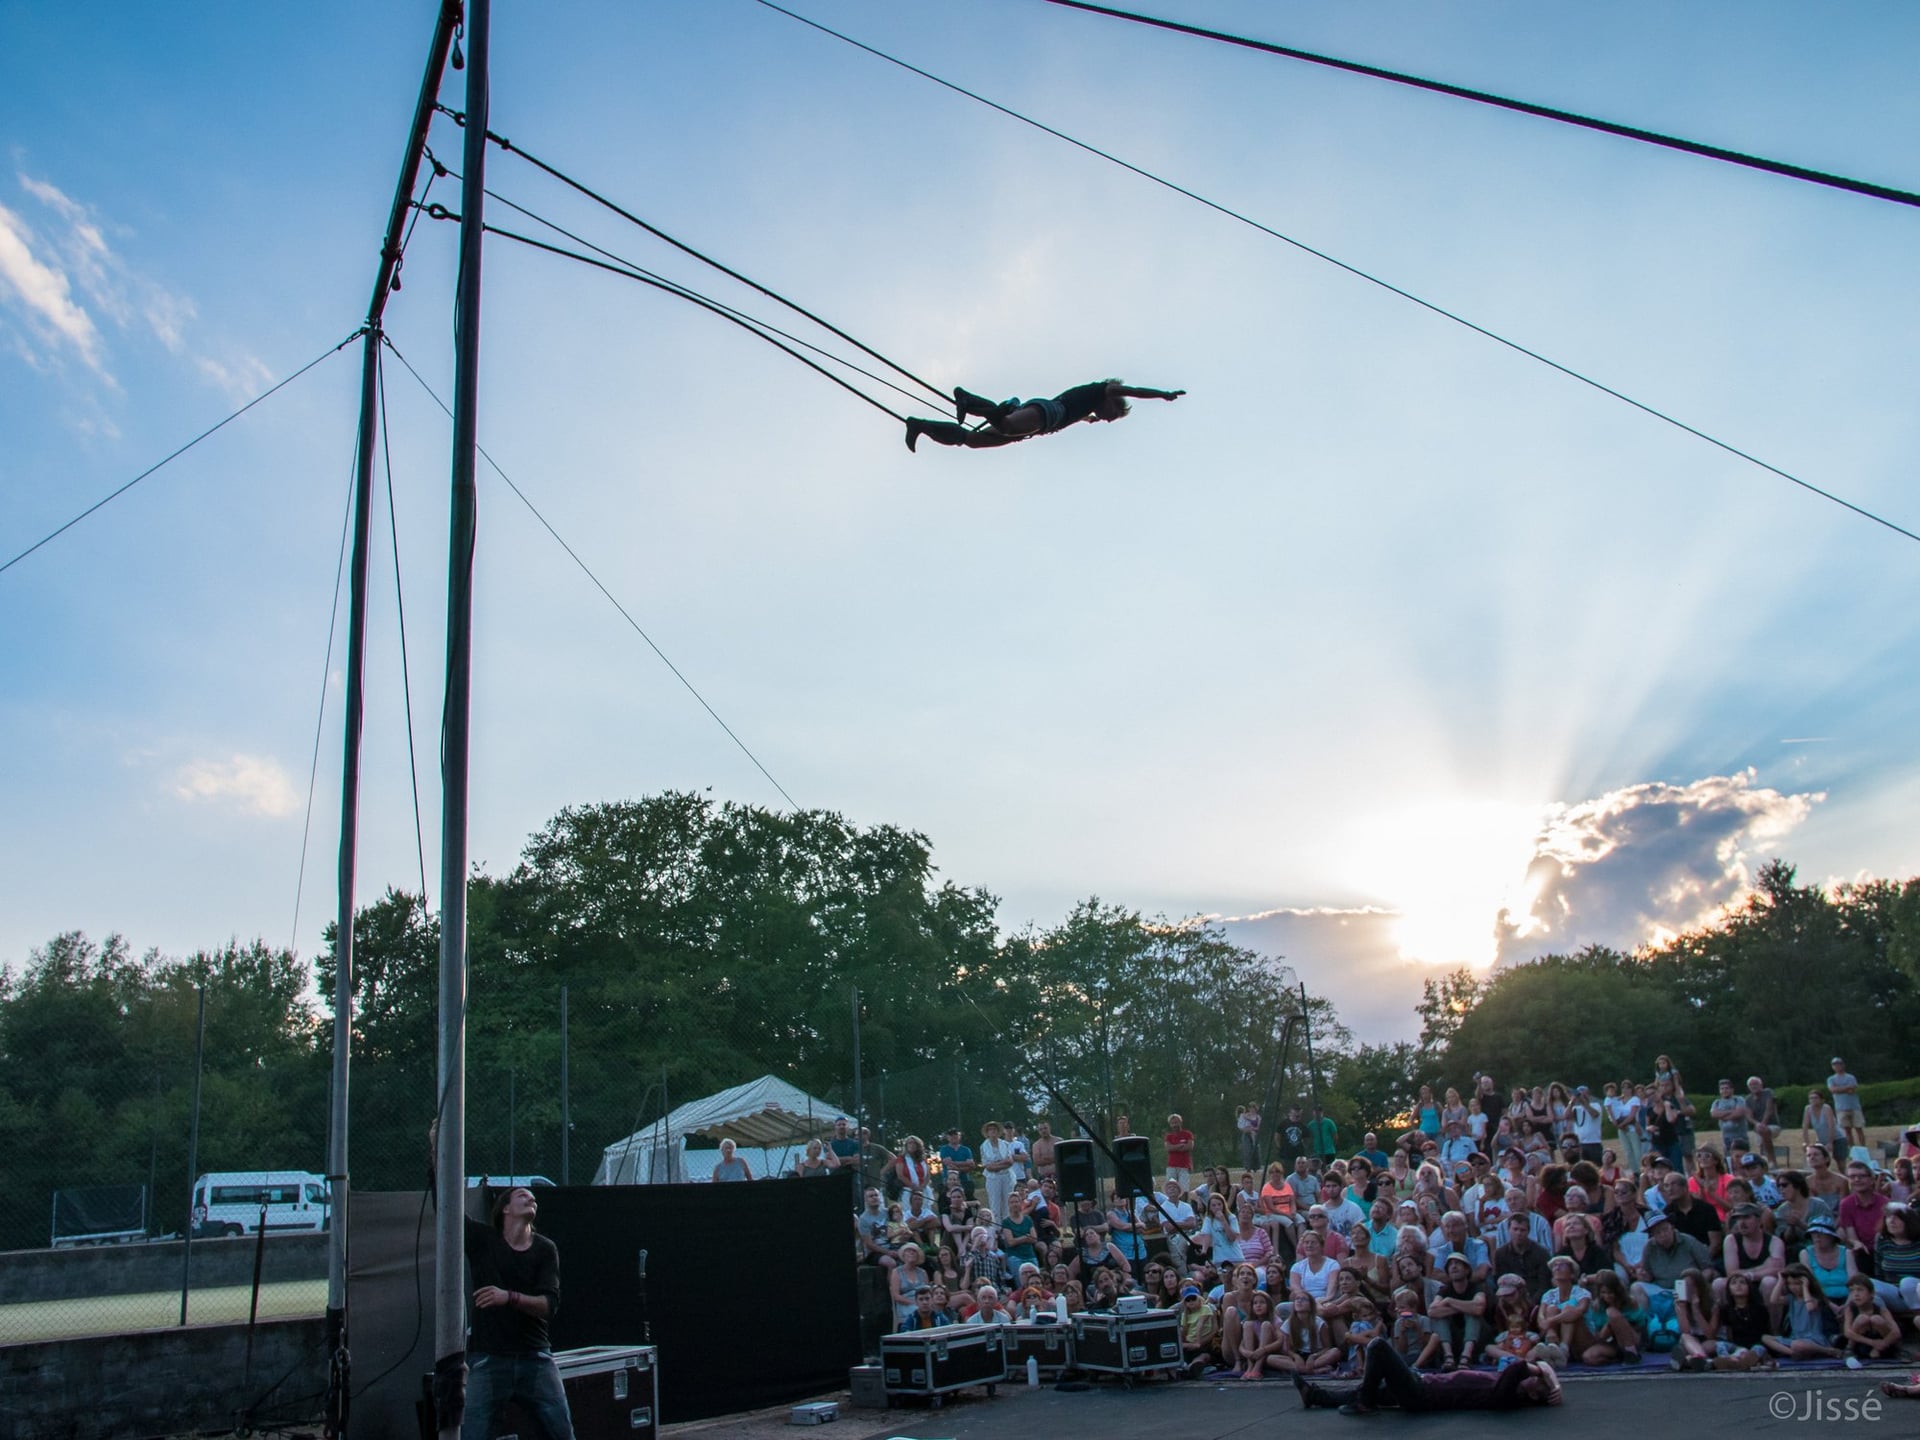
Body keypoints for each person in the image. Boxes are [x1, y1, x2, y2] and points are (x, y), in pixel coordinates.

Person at [461, 1186, 574, 1440]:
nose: (530, 1198)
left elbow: (549, 1306)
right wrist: (436, 1166)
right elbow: (448, 1211)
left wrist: (508, 1297)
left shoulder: (545, 1249)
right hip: (489, 1357)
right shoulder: (484, 1241)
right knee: (473, 1434)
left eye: (532, 1197)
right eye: (522, 1195)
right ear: (505, 1208)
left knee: (561, 1434)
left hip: (535, 1357)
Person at [1294, 1337, 1562, 1413]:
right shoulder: (1507, 1387)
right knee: (1372, 1387)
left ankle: (1365, 1400)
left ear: (1534, 1391)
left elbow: (1517, 1368)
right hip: (1422, 1383)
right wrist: (1546, 1375)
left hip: (1422, 1394)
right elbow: (1515, 1369)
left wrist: (1545, 1371)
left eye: (1535, 1381)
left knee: (1377, 1347)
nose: (1532, 1376)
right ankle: (1316, 1395)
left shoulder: (1506, 1396)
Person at [905, 379, 1185, 451]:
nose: (1109, 419)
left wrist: (1089, 419)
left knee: (973, 441)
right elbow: (1134, 391)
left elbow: (1088, 415)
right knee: (1004, 425)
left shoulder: (1088, 406)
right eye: (1113, 415)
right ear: (1112, 401)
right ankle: (968, 398)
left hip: (1043, 422)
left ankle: (920, 425)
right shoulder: (1105, 389)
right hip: (1049, 413)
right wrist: (1162, 394)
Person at [1828, 1057, 1868, 1154]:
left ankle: (1863, 1149)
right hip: (1841, 1108)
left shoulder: (1850, 1077)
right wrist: (1845, 1088)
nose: (1837, 1066)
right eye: (1835, 1065)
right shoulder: (1831, 1079)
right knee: (1847, 1131)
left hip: (1854, 1107)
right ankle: (1852, 1150)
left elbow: (1852, 1089)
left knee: (1859, 1128)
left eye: (1839, 1064)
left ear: (1843, 1065)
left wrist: (1839, 1089)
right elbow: (1833, 1090)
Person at [1163, 1113, 1195, 1189]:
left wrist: (1174, 1147)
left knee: (1184, 1188)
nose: (1174, 1125)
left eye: (1176, 1122)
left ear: (1180, 1122)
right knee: (1171, 1187)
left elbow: (1190, 1147)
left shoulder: (1187, 1134)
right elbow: (1168, 1148)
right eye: (1172, 1123)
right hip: (1171, 1166)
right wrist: (1180, 1145)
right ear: (1170, 1124)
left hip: (1184, 1165)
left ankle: (1183, 1201)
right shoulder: (1169, 1136)